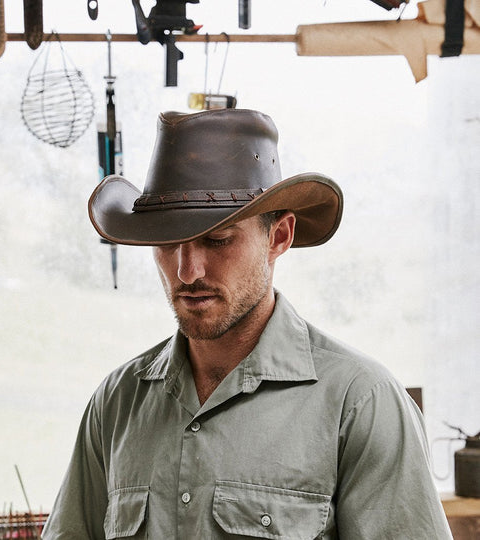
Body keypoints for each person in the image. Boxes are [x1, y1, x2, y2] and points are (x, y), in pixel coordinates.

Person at [42, 109, 452, 539]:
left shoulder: (361, 403)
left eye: (218, 240)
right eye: (165, 244)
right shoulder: (117, 402)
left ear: (278, 237)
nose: (186, 271)